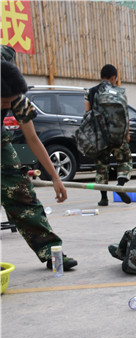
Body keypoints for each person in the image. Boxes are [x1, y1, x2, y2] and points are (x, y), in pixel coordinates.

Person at [1, 59, 77, 271]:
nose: (7, 107)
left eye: (10, 103)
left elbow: (33, 139)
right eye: (3, 102)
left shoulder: (17, 98)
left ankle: (51, 251)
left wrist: (55, 177)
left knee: (22, 194)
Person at [85, 64, 132, 206]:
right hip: (118, 135)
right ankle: (120, 185)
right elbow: (125, 114)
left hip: (100, 137)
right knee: (125, 161)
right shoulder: (119, 92)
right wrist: (127, 133)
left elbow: (87, 114)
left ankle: (103, 198)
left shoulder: (91, 92)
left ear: (101, 76)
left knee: (102, 167)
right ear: (113, 77)